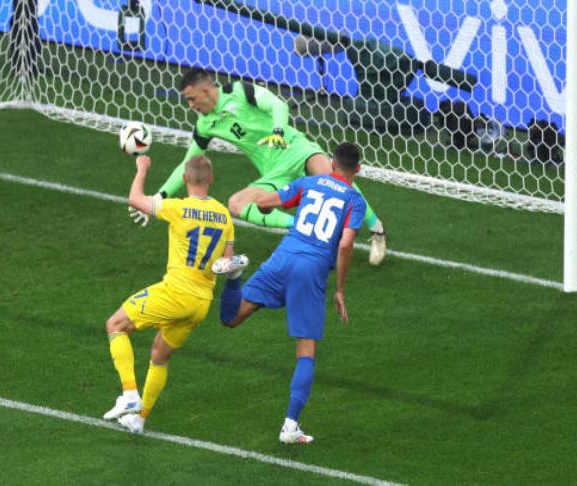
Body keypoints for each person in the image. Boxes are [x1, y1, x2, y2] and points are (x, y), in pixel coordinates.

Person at [128, 67, 387, 266]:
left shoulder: (239, 91)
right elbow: (187, 164)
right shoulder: (204, 125)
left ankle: (376, 229)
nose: (190, 105)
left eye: (191, 98)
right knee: (236, 204)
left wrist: (278, 131)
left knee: (334, 180)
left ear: (205, 91)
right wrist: (158, 197)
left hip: (296, 149)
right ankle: (300, 225)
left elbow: (278, 105)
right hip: (274, 172)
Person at [212, 142, 365, 444]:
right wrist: (340, 290)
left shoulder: (307, 183)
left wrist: (272, 201)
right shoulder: (355, 201)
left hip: (283, 257)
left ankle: (235, 275)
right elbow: (346, 244)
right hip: (310, 269)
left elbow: (264, 203)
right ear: (357, 169)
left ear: (332, 164)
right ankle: (290, 426)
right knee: (306, 350)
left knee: (231, 318)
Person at [103, 154, 239, 434]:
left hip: (175, 293)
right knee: (159, 355)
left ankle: (129, 394)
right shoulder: (224, 215)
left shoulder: (178, 207)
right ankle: (138, 419)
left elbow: (135, 199)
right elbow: (226, 262)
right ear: (211, 179)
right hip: (200, 303)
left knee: (115, 325)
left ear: (185, 179)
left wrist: (142, 168)